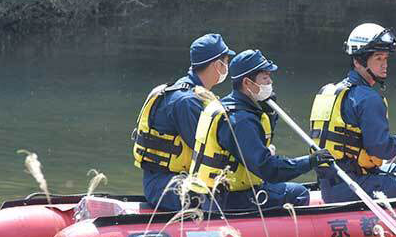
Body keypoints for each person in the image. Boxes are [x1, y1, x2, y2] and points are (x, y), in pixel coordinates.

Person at [309, 23, 396, 203]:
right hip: (353, 187)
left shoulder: (329, 90)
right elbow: (382, 150)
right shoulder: (368, 99)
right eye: (378, 58)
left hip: (332, 185)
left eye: (386, 58)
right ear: (358, 61)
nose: (385, 65)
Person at [187, 49, 330, 213]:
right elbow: (268, 169)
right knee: (299, 193)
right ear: (247, 83)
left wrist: (269, 114)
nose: (270, 82)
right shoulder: (241, 120)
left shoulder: (231, 106)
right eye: (265, 78)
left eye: (270, 77)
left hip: (210, 193)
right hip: (227, 199)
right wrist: (309, 161)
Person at [131, 33, 234, 211]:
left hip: (171, 180)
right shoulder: (187, 102)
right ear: (218, 64)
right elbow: (208, 150)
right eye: (226, 61)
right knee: (227, 203)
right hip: (166, 185)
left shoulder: (191, 93)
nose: (228, 66)